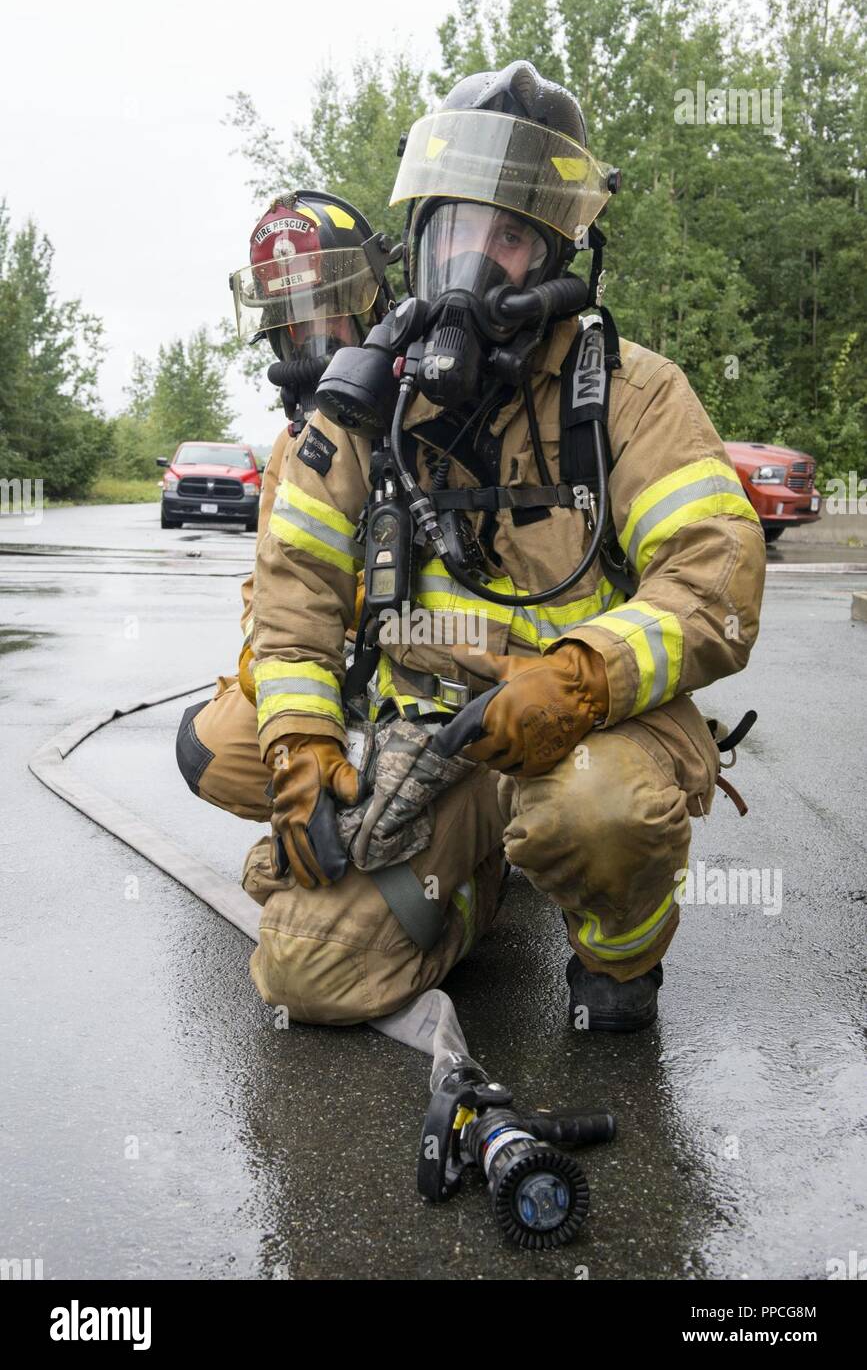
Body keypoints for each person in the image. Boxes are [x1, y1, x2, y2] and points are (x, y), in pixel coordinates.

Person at [246, 62, 766, 1032]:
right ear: (417, 245)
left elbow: (714, 580)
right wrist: (305, 744)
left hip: (590, 728)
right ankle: (473, 881)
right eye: (455, 234)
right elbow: (294, 594)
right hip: (432, 738)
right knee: (307, 975)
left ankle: (619, 954)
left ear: (560, 259)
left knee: (594, 811)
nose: (476, 266)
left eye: (512, 238)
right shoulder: (371, 402)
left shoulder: (632, 394)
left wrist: (578, 679)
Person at [175, 191, 393, 819]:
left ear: (371, 301)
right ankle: (358, 810)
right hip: (343, 667)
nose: (312, 332)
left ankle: (462, 830)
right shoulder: (288, 448)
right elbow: (269, 581)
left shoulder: (425, 409)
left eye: (327, 306)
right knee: (214, 750)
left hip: (439, 667)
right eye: (294, 317)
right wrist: (264, 654)